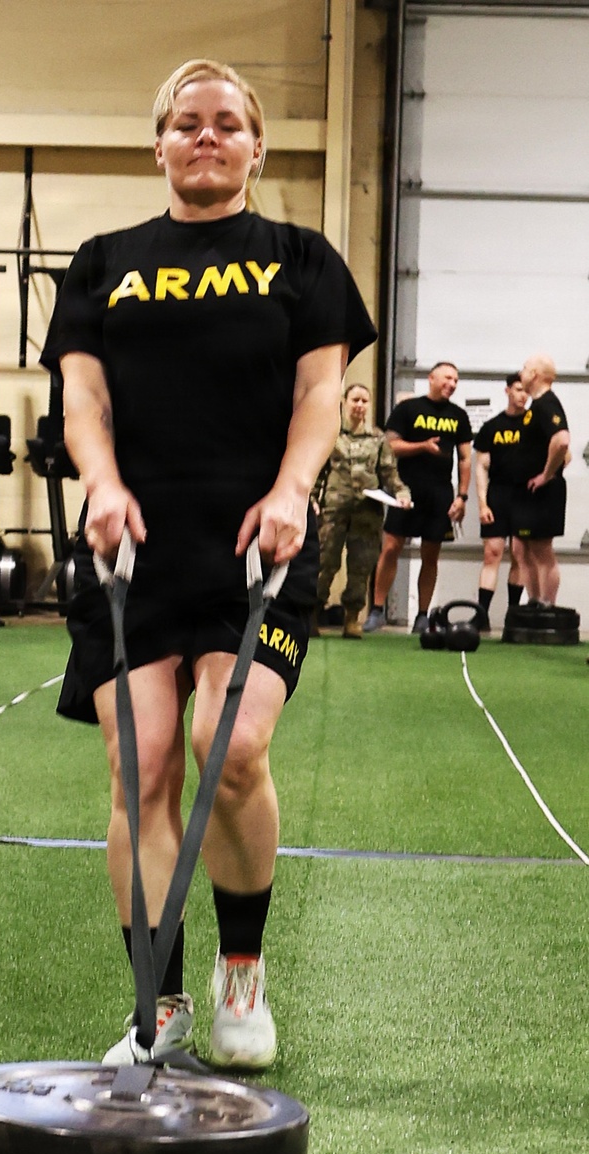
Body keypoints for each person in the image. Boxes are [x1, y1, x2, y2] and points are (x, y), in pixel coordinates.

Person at [41, 58, 375, 1068]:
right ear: (158, 143)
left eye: (227, 123)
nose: (205, 137)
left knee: (227, 752)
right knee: (137, 767)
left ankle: (241, 977)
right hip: (130, 544)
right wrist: (100, 483)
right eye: (186, 123)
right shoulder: (104, 262)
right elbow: (83, 399)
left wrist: (290, 489)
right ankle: (161, 1000)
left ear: (256, 145)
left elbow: (321, 394)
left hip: (254, 543)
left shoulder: (299, 260)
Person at [362, 362, 472, 634]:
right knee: (391, 548)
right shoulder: (408, 409)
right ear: (431, 378)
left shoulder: (458, 415)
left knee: (430, 555)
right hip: (406, 490)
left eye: (456, 380)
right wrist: (423, 446)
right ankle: (376, 610)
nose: (452, 383)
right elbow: (390, 446)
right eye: (447, 377)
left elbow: (466, 458)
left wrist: (462, 497)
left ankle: (422, 616)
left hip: (440, 493)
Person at [313, 382, 409, 638]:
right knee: (325, 562)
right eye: (355, 400)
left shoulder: (378, 438)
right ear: (344, 402)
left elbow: (389, 473)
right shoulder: (332, 433)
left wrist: (401, 493)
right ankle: (311, 614)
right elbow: (318, 471)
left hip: (367, 513)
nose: (359, 405)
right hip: (334, 509)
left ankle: (352, 619)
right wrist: (311, 498)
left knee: (361, 565)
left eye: (364, 401)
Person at [513, 353, 570, 606]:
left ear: (534, 374)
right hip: (528, 492)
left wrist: (546, 475)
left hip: (543, 491)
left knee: (541, 550)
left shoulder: (547, 404)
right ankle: (534, 602)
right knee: (522, 548)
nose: (521, 372)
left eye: (525, 368)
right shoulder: (534, 407)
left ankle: (548, 605)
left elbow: (562, 441)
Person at [473, 373, 529, 628]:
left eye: (526, 390)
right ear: (507, 391)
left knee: (520, 555)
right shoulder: (492, 427)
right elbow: (481, 467)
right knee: (492, 554)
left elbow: (562, 454)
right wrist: (483, 504)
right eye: (518, 389)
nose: (523, 395)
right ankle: (481, 614)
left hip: (526, 497)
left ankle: (514, 615)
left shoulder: (535, 425)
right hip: (499, 496)